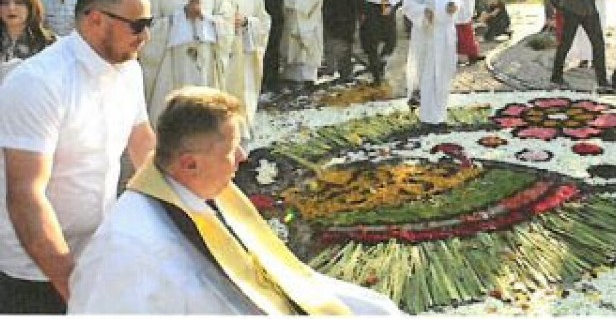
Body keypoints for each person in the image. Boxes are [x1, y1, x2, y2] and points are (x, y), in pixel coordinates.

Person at [67, 86, 400, 314]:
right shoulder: (126, 250)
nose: (242, 156)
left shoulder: (201, 194)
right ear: (189, 164)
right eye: (231, 149)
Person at [0, 0, 156, 313]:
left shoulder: (128, 70)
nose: (146, 35)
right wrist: (74, 287)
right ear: (96, 19)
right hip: (35, 270)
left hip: (96, 254)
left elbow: (143, 144)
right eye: (138, 24)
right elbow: (26, 197)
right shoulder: (39, 82)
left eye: (149, 23)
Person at [140, 0, 234, 124]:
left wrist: (204, 18)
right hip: (171, 67)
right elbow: (146, 31)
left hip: (204, 65)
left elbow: (227, 22)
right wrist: (179, 17)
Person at [403, 0, 462, 127]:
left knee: (444, 72)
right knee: (429, 73)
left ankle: (440, 114)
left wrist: (455, 5)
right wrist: (423, 12)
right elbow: (408, 4)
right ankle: (428, 117)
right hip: (428, 34)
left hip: (446, 31)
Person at [217, 0, 270, 136]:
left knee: (243, 98)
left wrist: (247, 22)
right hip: (219, 57)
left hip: (244, 58)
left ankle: (242, 133)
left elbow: (264, 24)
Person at [0, 0, 56, 84]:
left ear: (31, 7)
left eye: (19, 2)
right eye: (4, 3)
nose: (11, 8)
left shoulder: (48, 42)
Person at [246, 0, 284, 94]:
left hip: (275, 12)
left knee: (274, 48)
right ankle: (261, 81)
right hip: (261, 12)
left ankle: (273, 80)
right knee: (262, 49)